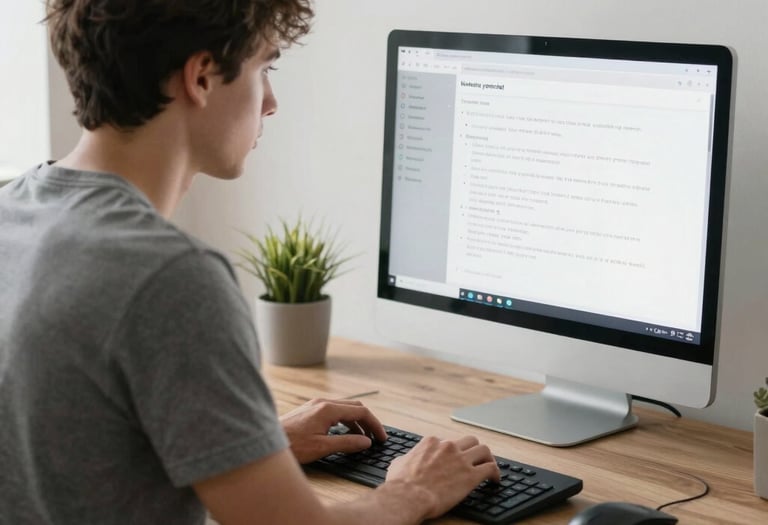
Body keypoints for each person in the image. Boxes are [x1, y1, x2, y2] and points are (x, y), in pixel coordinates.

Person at [0, 1, 500, 524]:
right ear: (201, 77)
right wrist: (412, 492)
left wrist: (252, 447)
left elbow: (79, 453)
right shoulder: (168, 278)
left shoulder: (16, 211)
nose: (271, 102)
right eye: (264, 68)